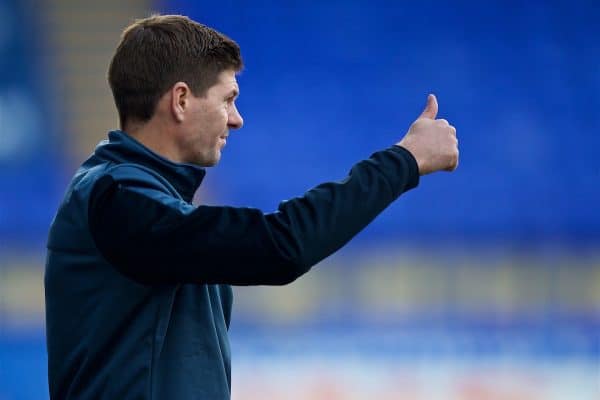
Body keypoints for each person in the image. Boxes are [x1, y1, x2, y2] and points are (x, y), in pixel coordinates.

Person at [44, 14, 458, 400]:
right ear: (181, 100)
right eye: (228, 100)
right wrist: (404, 162)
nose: (237, 119)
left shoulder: (144, 198)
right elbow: (279, 246)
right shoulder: (118, 197)